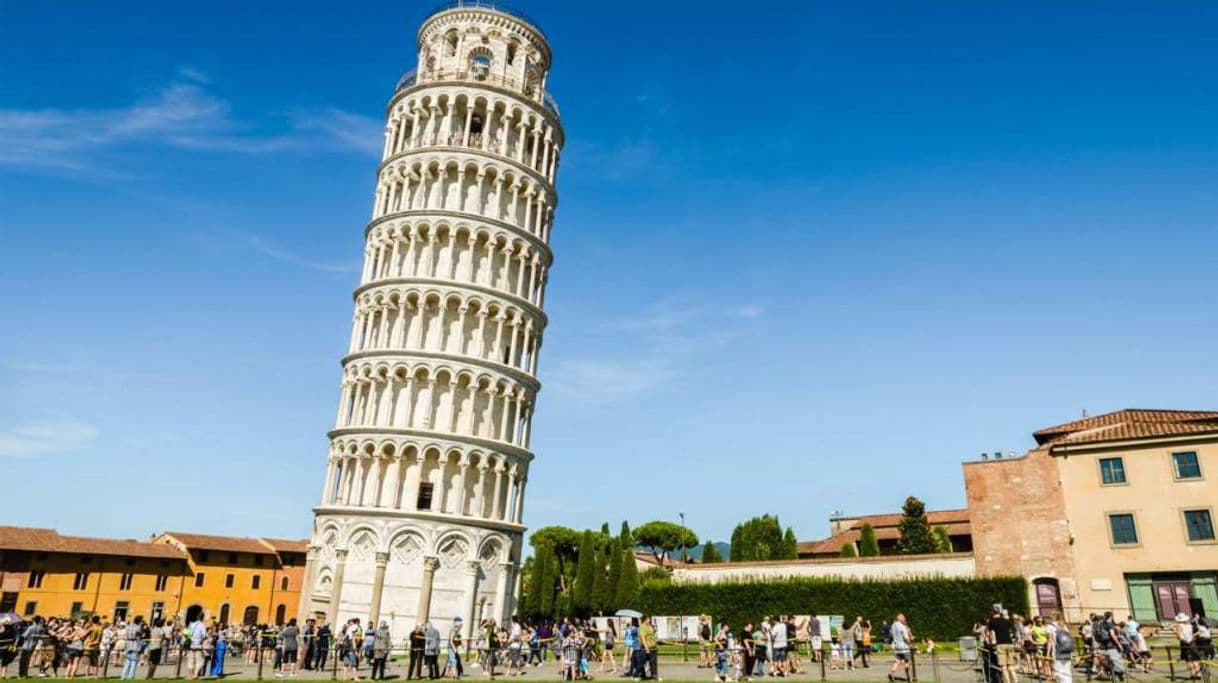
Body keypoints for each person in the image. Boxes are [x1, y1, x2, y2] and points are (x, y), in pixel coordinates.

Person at [887, 614, 911, 683]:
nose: (904, 619)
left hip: (897, 646)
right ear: (900, 619)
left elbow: (891, 633)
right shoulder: (902, 626)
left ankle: (891, 674)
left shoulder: (893, 625)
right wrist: (910, 644)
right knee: (907, 661)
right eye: (903, 618)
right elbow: (906, 638)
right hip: (904, 647)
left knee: (897, 662)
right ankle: (908, 677)